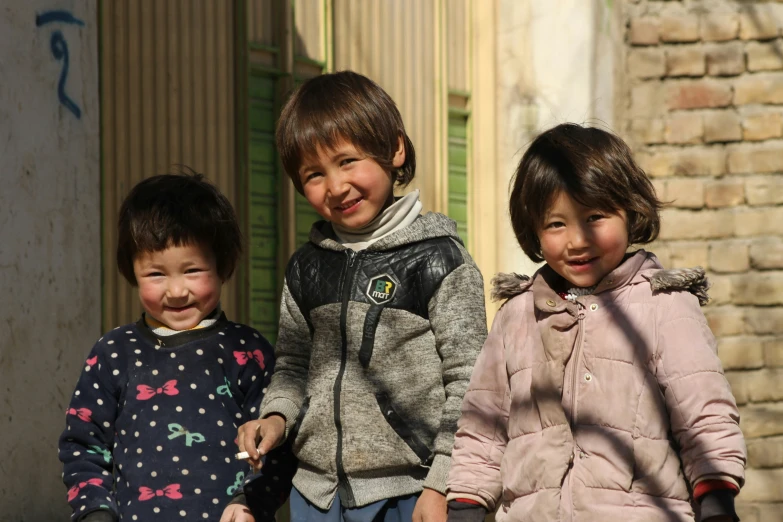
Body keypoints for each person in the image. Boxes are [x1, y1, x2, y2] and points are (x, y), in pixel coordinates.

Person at [446, 123, 746, 522]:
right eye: (556, 224)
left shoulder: (664, 306)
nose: (577, 240)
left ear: (630, 212)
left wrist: (716, 502)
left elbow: (703, 413)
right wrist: (465, 505)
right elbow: (483, 426)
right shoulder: (518, 315)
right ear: (533, 228)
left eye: (595, 217)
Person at [230, 70, 488, 522]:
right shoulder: (306, 267)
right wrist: (274, 420)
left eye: (348, 161)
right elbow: (291, 367)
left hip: (409, 493)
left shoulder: (439, 260)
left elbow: (469, 383)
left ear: (395, 149)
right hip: (315, 496)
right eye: (314, 174)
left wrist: (442, 481)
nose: (335, 187)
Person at [58, 172, 295, 522]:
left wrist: (251, 500)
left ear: (223, 267)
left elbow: (276, 447)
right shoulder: (113, 353)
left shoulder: (247, 351)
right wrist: (95, 510)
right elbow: (83, 444)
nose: (176, 290)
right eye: (156, 274)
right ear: (132, 273)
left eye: (192, 270)